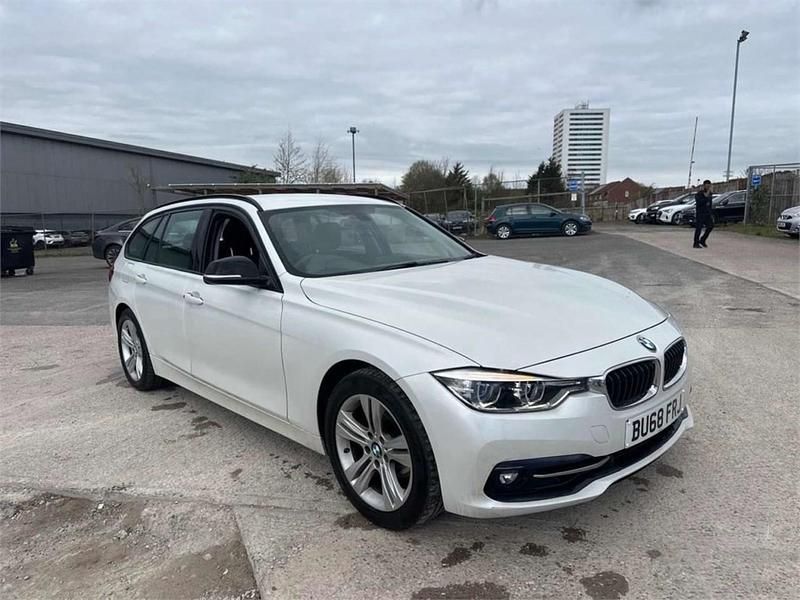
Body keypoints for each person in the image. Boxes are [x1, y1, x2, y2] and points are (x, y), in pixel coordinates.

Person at [693, 180, 714, 248]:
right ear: (704, 185)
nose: (708, 187)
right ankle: (696, 243)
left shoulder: (710, 194)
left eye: (709, 185)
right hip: (700, 213)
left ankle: (702, 240)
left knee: (710, 226)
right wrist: (706, 196)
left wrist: (710, 213)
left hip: (707, 214)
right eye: (707, 185)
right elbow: (699, 203)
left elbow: (710, 204)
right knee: (698, 228)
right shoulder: (699, 193)